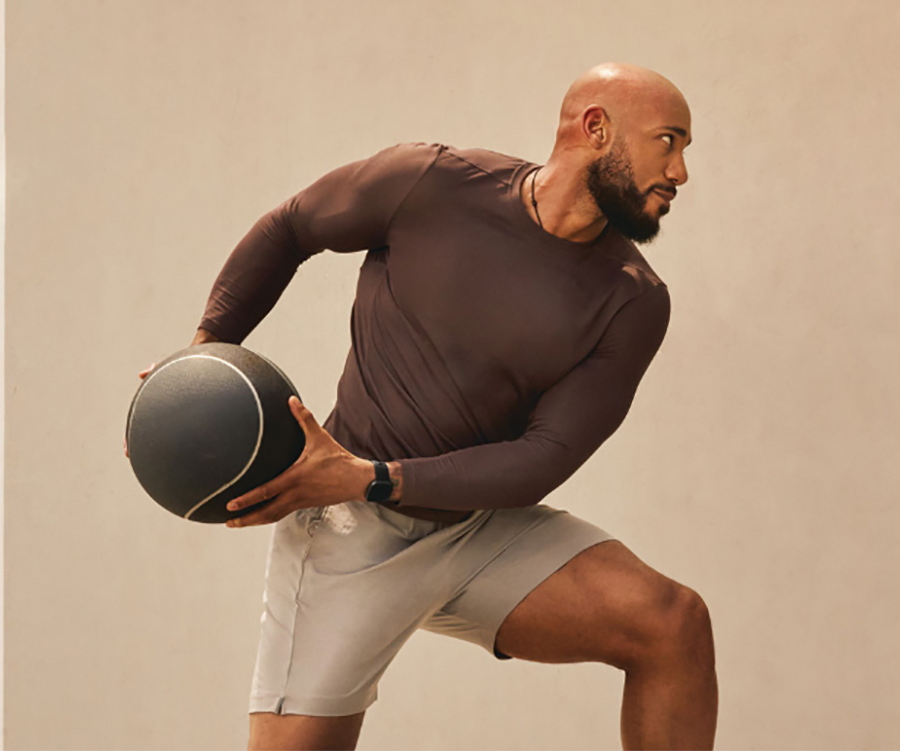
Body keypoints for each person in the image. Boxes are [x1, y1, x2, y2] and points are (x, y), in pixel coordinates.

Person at [132, 62, 716, 750]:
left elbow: (544, 457)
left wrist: (375, 474)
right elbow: (291, 229)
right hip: (348, 531)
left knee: (672, 623)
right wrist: (203, 359)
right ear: (595, 129)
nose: (679, 172)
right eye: (668, 142)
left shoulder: (633, 299)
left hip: (477, 531)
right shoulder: (432, 183)